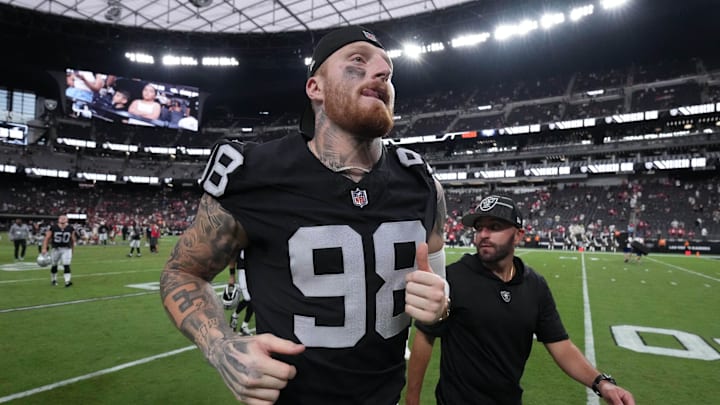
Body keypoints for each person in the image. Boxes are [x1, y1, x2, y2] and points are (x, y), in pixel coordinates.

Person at [160, 25, 449, 404]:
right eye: (357, 62)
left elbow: (435, 311)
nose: (380, 72)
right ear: (316, 88)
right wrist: (222, 346)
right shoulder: (255, 174)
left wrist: (440, 309)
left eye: (387, 70)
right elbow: (182, 272)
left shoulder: (422, 184)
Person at [406, 195, 635, 405]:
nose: (484, 234)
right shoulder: (454, 277)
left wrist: (600, 382)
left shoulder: (535, 285)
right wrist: (412, 399)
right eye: (479, 227)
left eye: (494, 227)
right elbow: (425, 337)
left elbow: (560, 345)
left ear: (519, 235)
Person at [221, 250, 254, 336]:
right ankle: (239, 322)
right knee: (249, 299)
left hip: (255, 270)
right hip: (243, 270)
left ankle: (242, 324)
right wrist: (232, 275)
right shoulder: (241, 239)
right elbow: (232, 257)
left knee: (254, 299)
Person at [41, 214, 76, 287]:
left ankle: (67, 281)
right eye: (61, 218)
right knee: (54, 265)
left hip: (66, 249)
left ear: (67, 220)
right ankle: (53, 280)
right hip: (56, 249)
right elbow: (47, 238)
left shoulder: (70, 228)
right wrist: (44, 248)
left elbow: (72, 240)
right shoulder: (53, 227)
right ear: (58, 219)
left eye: (64, 218)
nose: (63, 219)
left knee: (66, 264)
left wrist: (72, 249)